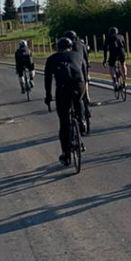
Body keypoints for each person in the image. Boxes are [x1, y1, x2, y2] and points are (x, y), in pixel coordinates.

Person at [43, 37, 88, 166]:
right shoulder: (77, 55)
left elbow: (48, 80)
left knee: (64, 123)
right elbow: (84, 72)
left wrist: (48, 96)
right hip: (78, 85)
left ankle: (66, 155)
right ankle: (81, 120)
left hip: (62, 88)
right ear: (71, 46)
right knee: (79, 100)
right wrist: (84, 90)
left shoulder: (52, 59)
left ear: (58, 47)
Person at [63, 30, 92, 129]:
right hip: (83, 69)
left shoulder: (65, 46)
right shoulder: (81, 44)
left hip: (72, 72)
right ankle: (87, 99)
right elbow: (86, 59)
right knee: (84, 87)